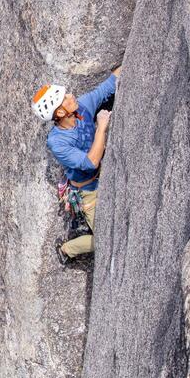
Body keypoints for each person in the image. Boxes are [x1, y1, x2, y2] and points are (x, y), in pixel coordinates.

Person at [31, 67, 120, 263]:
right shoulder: (57, 142)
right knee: (104, 240)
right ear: (61, 112)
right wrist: (101, 128)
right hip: (88, 191)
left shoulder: (83, 107)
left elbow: (107, 86)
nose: (72, 95)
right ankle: (67, 249)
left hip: (105, 174)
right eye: (65, 97)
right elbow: (90, 162)